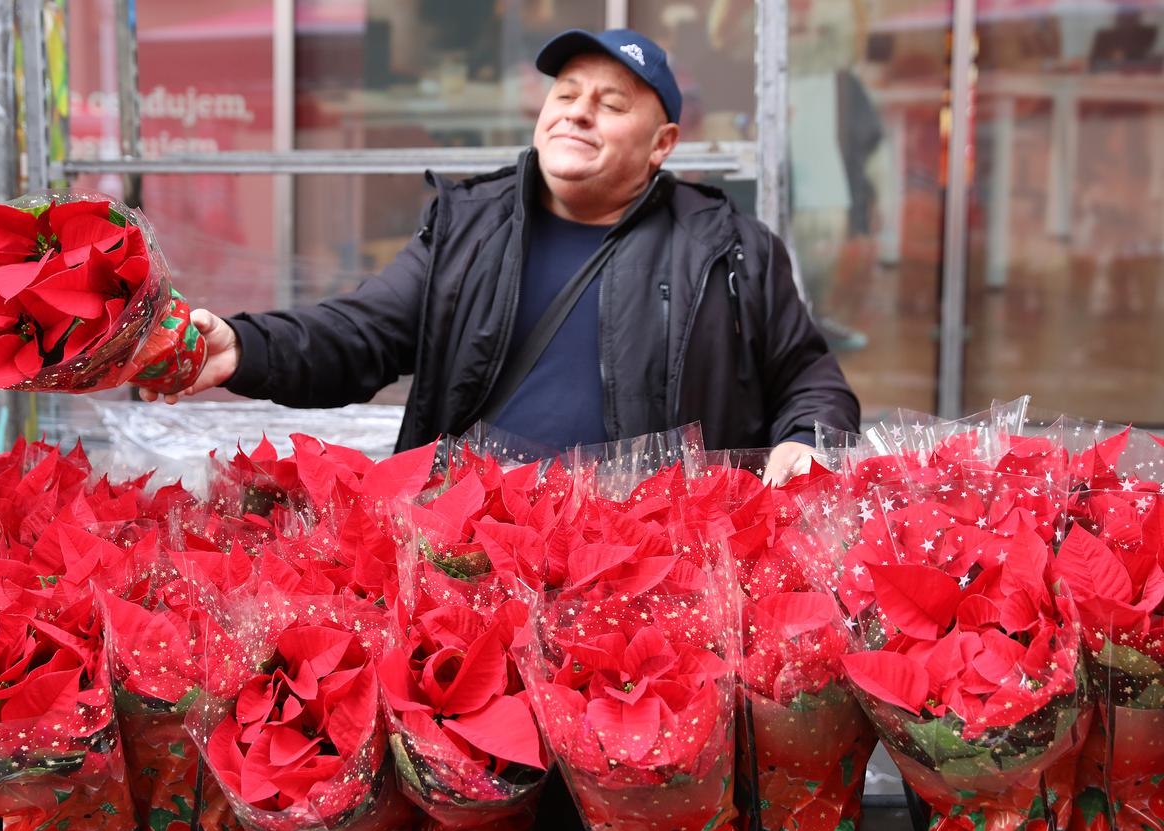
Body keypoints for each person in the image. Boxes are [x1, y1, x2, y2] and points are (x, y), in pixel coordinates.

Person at [141, 27, 860, 488]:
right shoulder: (467, 228)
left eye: (610, 104)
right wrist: (245, 345)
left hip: (651, 571)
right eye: (566, 94)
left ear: (662, 143)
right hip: (474, 551)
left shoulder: (729, 248)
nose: (577, 111)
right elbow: (360, 331)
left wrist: (809, 443)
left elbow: (809, 379)